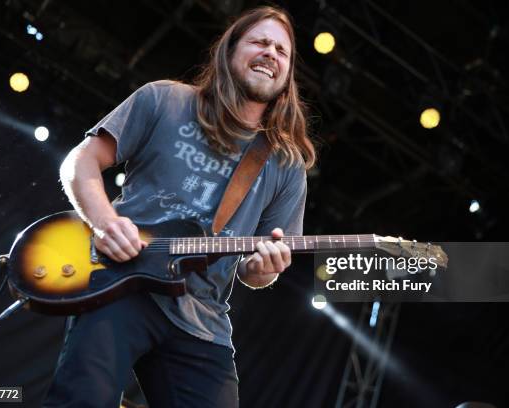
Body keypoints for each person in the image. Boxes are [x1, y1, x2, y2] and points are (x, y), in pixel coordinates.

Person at [43, 5, 315, 408]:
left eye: (281, 51)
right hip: (121, 284)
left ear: (287, 74)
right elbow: (80, 162)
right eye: (259, 41)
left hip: (202, 319)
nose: (270, 53)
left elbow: (254, 272)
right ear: (230, 49)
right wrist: (104, 223)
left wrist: (263, 270)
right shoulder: (164, 100)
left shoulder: (286, 165)